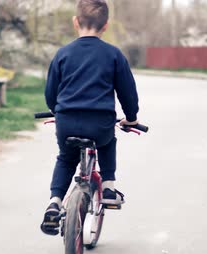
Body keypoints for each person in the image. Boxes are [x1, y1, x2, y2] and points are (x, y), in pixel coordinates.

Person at [41, 0, 140, 235]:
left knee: (66, 158)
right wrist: (131, 118)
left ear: (76, 22)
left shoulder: (63, 54)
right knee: (107, 143)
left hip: (66, 122)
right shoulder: (113, 54)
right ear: (105, 26)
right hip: (100, 123)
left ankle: (54, 203)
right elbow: (128, 92)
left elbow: (50, 92)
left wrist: (56, 110)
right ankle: (108, 187)